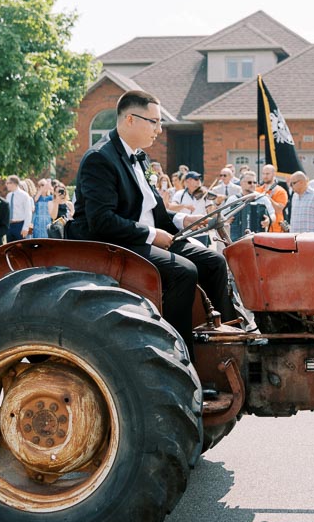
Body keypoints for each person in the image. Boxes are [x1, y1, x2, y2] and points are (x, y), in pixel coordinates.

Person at [66, 89, 236, 344]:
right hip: (117, 242)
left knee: (214, 262)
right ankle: (179, 350)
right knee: (184, 271)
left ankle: (230, 336)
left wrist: (182, 220)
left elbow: (149, 208)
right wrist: (152, 234)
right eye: (154, 122)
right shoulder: (99, 159)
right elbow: (101, 221)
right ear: (130, 119)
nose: (158, 129)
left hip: (144, 238)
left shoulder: (140, 157)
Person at [229, 172, 272, 240]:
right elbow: (222, 216)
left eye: (255, 182)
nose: (253, 185)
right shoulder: (233, 199)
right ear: (241, 183)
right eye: (249, 182)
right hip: (237, 238)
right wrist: (227, 219)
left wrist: (268, 220)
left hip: (258, 238)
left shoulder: (263, 199)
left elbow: (272, 214)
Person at [257, 164, 289, 232]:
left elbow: (279, 209)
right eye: (263, 174)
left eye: (267, 174)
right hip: (260, 227)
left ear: (274, 174)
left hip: (275, 229)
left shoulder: (281, 191)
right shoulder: (257, 190)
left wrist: (268, 199)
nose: (265, 176)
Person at [5, 175, 33, 241]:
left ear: (14, 183)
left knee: (21, 247)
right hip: (10, 225)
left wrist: (25, 227)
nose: (6, 185)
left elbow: (28, 212)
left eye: (8, 183)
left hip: (20, 225)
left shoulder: (24, 195)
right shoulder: (8, 196)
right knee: (10, 248)